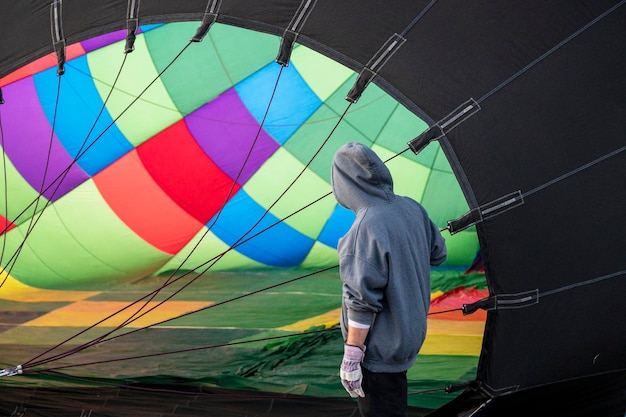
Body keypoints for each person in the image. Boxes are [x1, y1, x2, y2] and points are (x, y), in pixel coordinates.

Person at [331, 142, 447, 417]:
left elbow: (361, 301)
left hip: (379, 352)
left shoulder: (365, 227)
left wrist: (352, 354)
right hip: (407, 338)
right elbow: (438, 253)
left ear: (344, 183)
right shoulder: (412, 208)